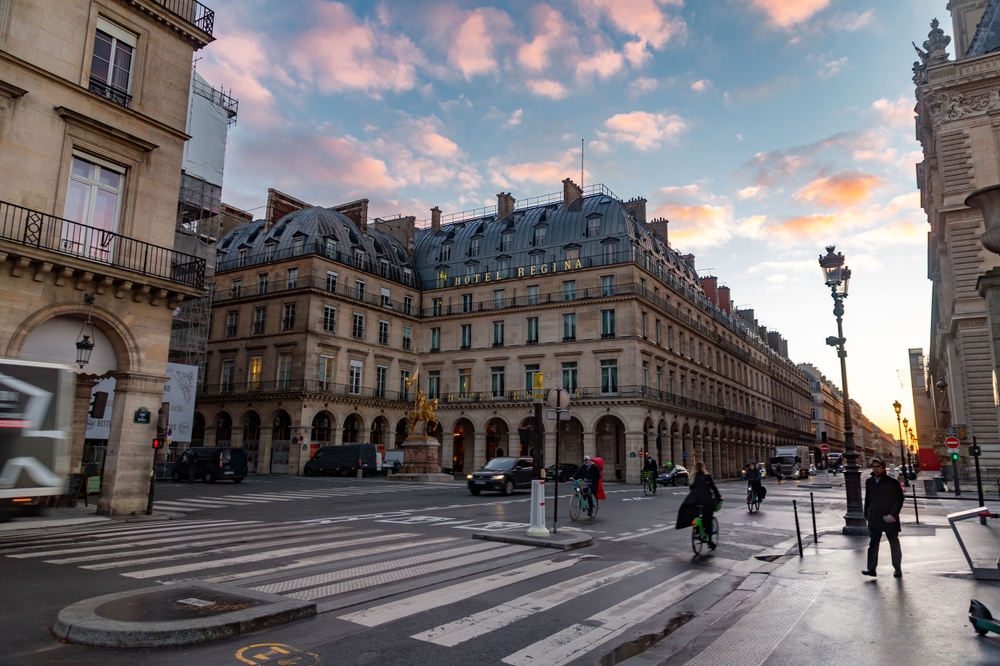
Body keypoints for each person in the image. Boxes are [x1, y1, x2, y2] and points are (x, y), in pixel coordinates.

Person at [862, 458, 904, 578]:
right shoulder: (869, 481)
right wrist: (867, 514)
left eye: (878, 466)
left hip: (889, 517)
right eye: (873, 466)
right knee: (873, 543)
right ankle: (871, 569)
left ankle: (897, 568)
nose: (875, 468)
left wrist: (893, 514)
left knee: (894, 543)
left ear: (883, 468)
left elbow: (899, 499)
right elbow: (868, 499)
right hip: (874, 516)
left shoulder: (892, 482)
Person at [675, 461, 723, 550]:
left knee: (695, 513)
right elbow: (713, 487)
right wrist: (719, 497)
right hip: (706, 502)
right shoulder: (707, 476)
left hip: (695, 502)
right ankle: (710, 541)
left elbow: (691, 489)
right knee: (708, 520)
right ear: (703, 467)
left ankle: (698, 531)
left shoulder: (693, 477)